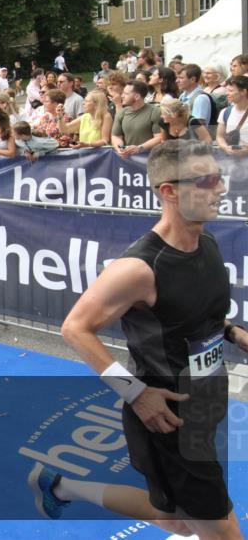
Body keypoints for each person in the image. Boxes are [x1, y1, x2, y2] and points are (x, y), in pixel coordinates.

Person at [41, 140, 246, 539]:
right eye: (205, 180)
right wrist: (135, 393)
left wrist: (233, 332)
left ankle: (61, 487)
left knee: (175, 522)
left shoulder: (207, 243)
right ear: (168, 191)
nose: (220, 188)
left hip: (206, 404)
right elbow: (75, 328)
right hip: (169, 419)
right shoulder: (138, 268)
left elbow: (199, 314)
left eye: (219, 178)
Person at [216, 74, 248, 157]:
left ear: (243, 92)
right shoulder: (226, 112)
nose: (227, 94)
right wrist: (226, 148)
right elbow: (220, 136)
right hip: (231, 163)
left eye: (230, 91)